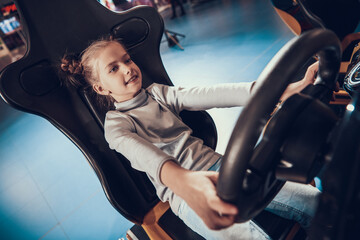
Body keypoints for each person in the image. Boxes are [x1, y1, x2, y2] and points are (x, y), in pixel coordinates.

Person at [60, 37, 320, 239]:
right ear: (101, 88)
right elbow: (146, 157)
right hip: (184, 196)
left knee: (313, 200)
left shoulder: (157, 94)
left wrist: (280, 92)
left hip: (223, 169)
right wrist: (185, 183)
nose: (127, 69)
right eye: (114, 68)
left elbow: (210, 93)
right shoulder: (116, 125)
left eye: (127, 60)